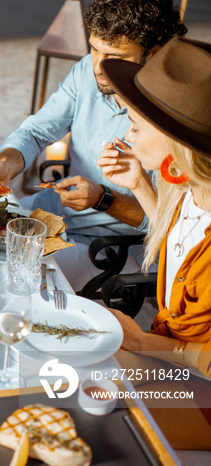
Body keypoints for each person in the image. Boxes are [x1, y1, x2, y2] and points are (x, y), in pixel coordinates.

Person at [0, 0, 186, 291]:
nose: (98, 65)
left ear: (155, 53)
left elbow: (169, 226)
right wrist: (4, 165)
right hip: (51, 215)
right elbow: (36, 131)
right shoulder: (88, 71)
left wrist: (103, 199)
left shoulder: (175, 118)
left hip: (109, 248)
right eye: (94, 48)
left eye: (114, 55)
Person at [96, 37, 211, 450]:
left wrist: (144, 343)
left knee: (94, 416)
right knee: (64, 368)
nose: (126, 133)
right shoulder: (190, 190)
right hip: (171, 359)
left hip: (199, 391)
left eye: (135, 125)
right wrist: (140, 184)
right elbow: (177, 240)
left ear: (174, 145)